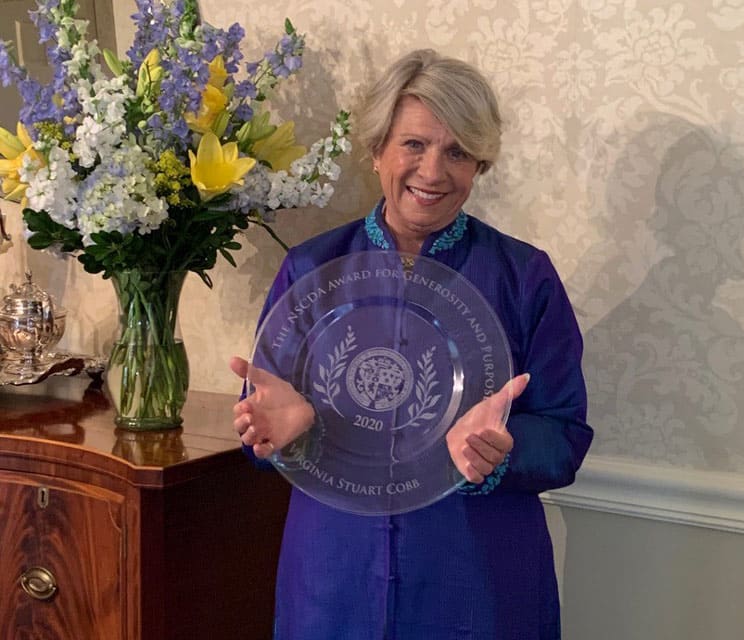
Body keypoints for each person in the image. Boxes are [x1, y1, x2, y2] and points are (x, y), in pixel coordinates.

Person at [230, 49, 593, 640]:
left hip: (477, 579)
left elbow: (564, 433)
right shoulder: (311, 270)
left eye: (457, 152)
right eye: (414, 145)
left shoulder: (524, 277)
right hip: (335, 576)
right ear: (377, 151)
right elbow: (261, 431)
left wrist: (499, 449)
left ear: (480, 164)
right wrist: (280, 434)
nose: (433, 171)